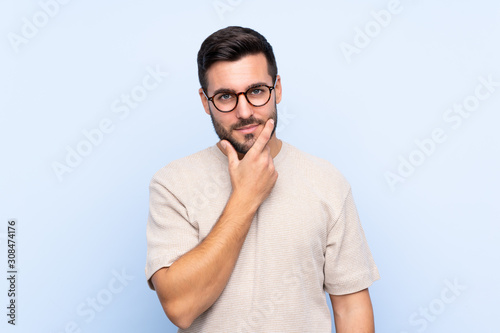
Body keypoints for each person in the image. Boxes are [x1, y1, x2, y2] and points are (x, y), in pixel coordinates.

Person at [145, 26, 380, 332]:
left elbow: (351, 308)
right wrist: (245, 197)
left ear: (277, 89)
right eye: (226, 96)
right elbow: (180, 308)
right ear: (205, 102)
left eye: (256, 91)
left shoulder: (326, 181)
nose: (244, 112)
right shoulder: (173, 184)